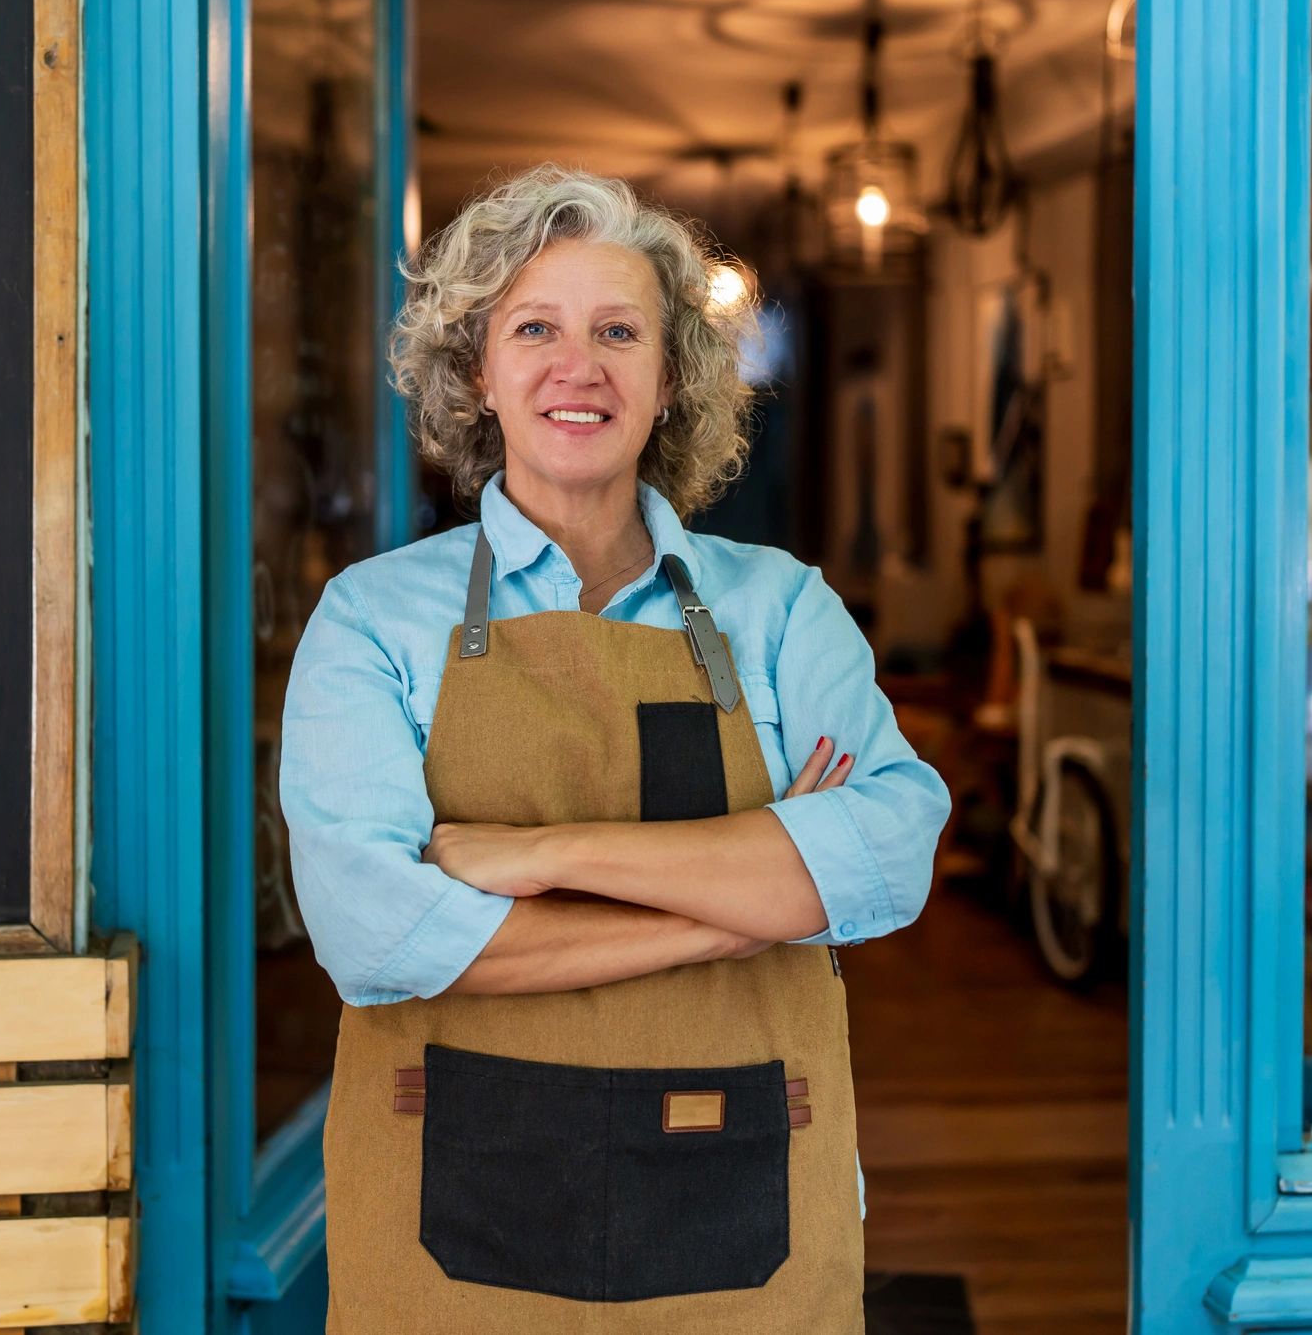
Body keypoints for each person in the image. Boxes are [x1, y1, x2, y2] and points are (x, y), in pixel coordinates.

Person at [279, 164, 950, 1332]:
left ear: (669, 376)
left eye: (617, 330)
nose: (574, 365)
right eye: (532, 327)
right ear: (478, 373)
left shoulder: (781, 607)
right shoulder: (371, 619)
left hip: (737, 1203)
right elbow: (374, 931)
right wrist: (756, 899)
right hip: (459, 1218)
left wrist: (536, 856)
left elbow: (886, 857)